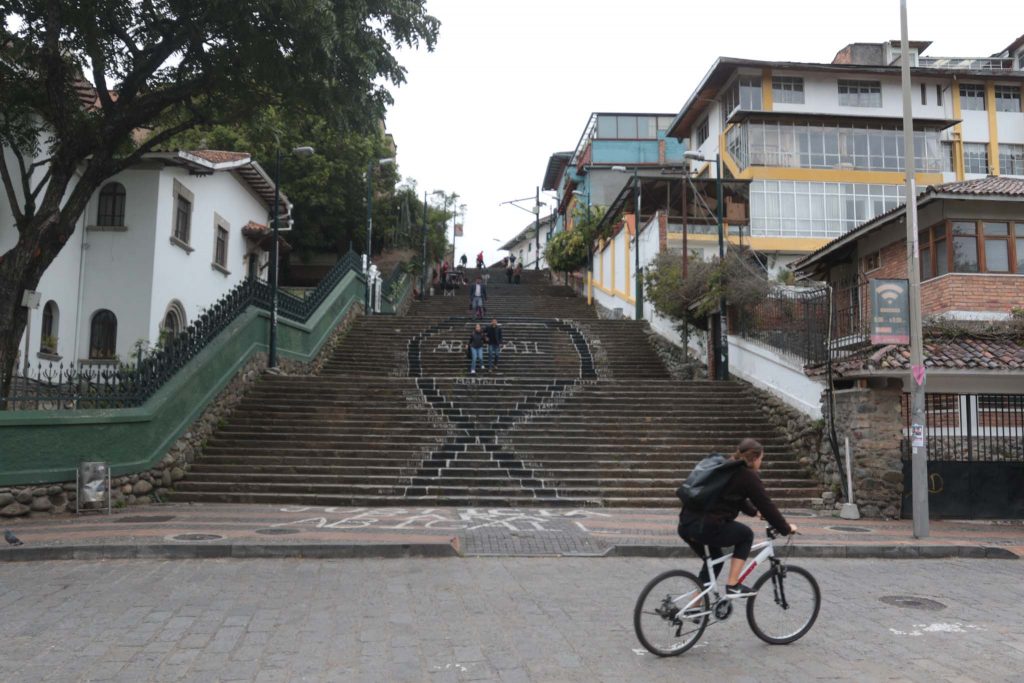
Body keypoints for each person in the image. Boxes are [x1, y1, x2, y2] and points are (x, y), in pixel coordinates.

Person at [677, 438, 796, 597]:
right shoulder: (747, 475)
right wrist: (786, 528)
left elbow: (735, 497)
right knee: (746, 535)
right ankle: (733, 584)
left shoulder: (727, 467)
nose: (761, 462)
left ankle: (695, 605)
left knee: (715, 559)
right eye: (761, 459)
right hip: (705, 526)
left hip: (686, 523)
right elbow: (766, 505)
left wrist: (754, 512)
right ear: (754, 459)